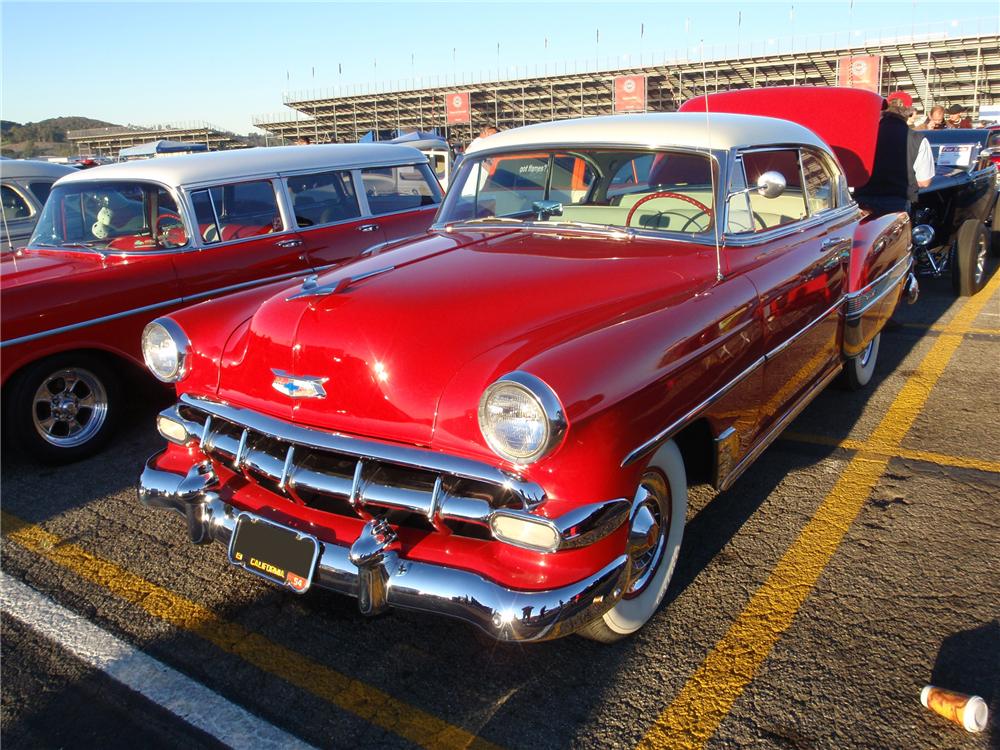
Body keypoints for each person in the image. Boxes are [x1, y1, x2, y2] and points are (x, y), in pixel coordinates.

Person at [854, 92, 935, 215]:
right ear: (910, 112)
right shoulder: (918, 139)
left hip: (863, 202)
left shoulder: (864, 135)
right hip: (897, 203)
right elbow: (925, 181)